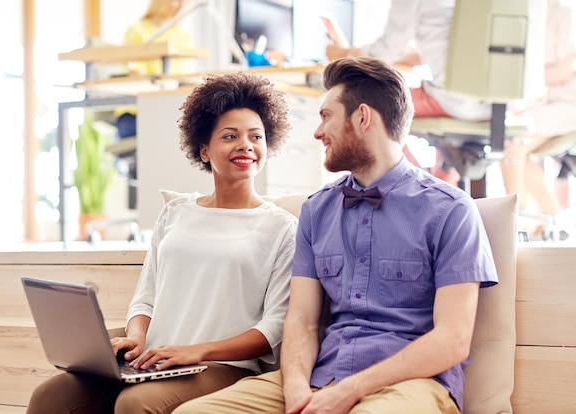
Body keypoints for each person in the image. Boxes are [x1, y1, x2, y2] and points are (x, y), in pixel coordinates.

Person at [173, 56, 499, 414]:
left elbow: (452, 341)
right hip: (320, 376)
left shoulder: (451, 210)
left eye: (326, 116)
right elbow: (302, 321)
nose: (317, 132)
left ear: (362, 117)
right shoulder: (317, 211)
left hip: (412, 386)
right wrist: (296, 388)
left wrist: (349, 392)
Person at [26, 72, 297, 414]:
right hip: (155, 360)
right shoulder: (175, 213)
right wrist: (136, 339)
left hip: (222, 367)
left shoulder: (282, 228)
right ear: (204, 149)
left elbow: (273, 327)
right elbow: (145, 299)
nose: (246, 144)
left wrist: (197, 351)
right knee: (51, 396)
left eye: (255, 136)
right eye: (230, 136)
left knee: (134, 404)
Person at [327, 0, 492, 186]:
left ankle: (414, 185)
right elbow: (447, 47)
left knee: (368, 105)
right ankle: (438, 181)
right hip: (497, 106)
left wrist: (343, 54)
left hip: (454, 102)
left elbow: (386, 49)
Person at [500, 0, 576, 238]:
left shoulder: (564, 14)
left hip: (568, 104)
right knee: (509, 140)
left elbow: (566, 69)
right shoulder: (529, 13)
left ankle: (513, 222)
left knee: (512, 143)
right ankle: (551, 218)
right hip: (544, 104)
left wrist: (526, 75)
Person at [115, 0, 197, 139]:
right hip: (136, 114)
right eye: (177, 1)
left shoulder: (183, 36)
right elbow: (133, 71)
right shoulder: (137, 30)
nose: (181, 6)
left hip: (174, 112)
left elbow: (188, 79)